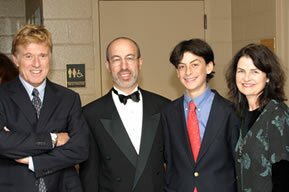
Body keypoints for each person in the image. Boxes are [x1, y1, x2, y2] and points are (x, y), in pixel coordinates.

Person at [0, 24, 89, 192]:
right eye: (28, 56)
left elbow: (80, 148)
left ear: (50, 57)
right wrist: (52, 139)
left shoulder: (69, 98)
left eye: (43, 55)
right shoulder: (2, 96)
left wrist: (33, 161)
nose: (36, 64)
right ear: (15, 59)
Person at [79, 37, 170, 192]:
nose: (124, 66)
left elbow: (176, 166)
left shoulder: (165, 107)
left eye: (130, 58)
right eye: (116, 59)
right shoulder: (90, 114)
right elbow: (90, 176)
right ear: (108, 65)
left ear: (140, 62)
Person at [162, 38, 240, 192]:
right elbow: (169, 161)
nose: (188, 72)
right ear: (177, 72)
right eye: (182, 67)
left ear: (209, 67)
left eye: (195, 64)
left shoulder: (230, 112)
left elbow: (239, 163)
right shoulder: (168, 113)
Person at [226, 43, 289, 192]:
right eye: (241, 71)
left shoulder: (277, 115)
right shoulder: (239, 113)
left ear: (268, 77)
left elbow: (284, 178)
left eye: (255, 71)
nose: (246, 78)